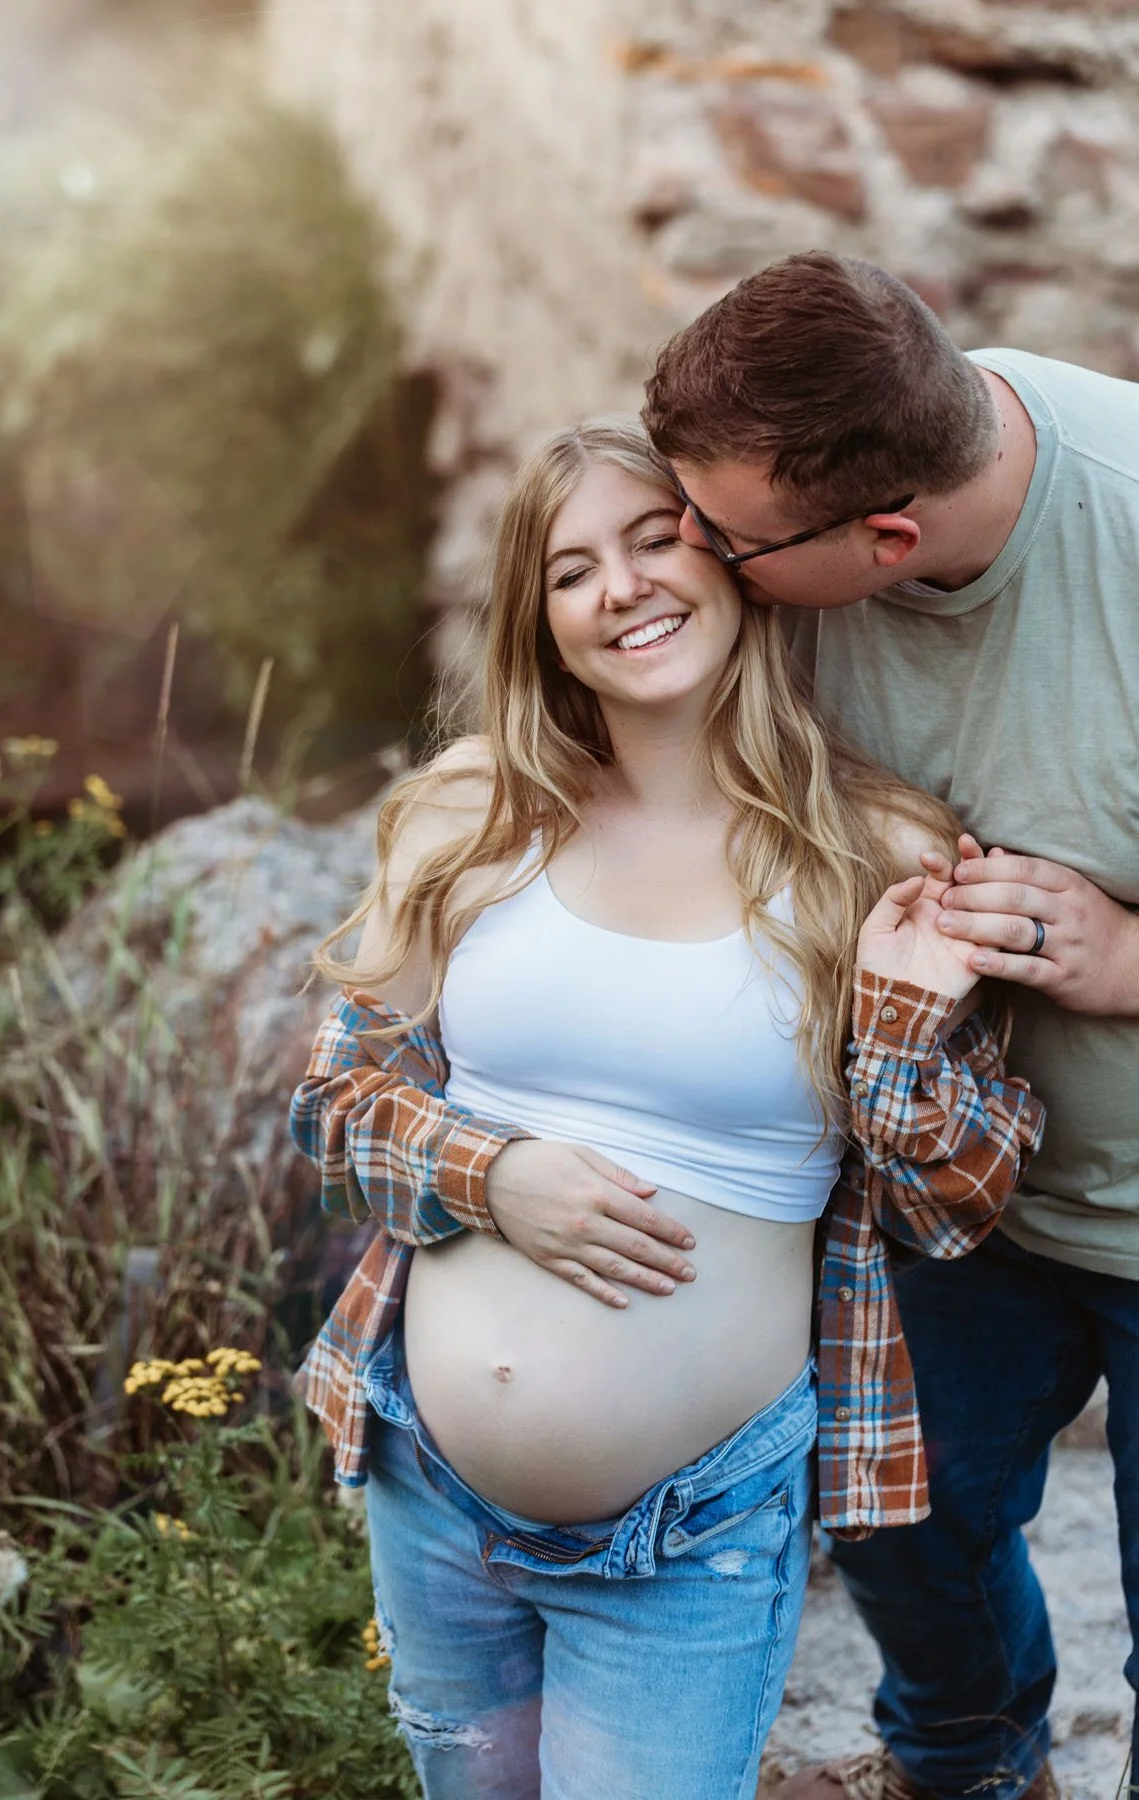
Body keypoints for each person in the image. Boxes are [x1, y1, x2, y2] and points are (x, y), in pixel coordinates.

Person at [289, 415, 1043, 1800]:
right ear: (540, 619)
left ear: (735, 567)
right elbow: (333, 1106)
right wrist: (492, 1170)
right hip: (430, 1494)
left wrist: (890, 1032)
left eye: (655, 539)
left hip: (687, 1534)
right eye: (573, 569)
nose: (622, 587)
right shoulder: (469, 819)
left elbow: (961, 1200)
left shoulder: (872, 846)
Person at [642, 249, 1139, 1800]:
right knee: (893, 1516)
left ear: (888, 537)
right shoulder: (827, 470)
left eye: (724, 538)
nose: (690, 559)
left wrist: (1124, 960)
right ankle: (974, 1764)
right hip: (951, 1194)